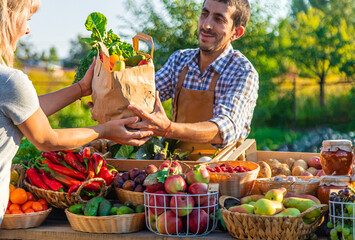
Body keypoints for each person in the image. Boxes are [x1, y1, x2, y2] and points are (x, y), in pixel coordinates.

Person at [0, 0, 152, 223]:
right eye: (28, 19)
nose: (28, 29)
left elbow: (27, 111)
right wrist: (104, 130)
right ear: (9, 17)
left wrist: (81, 89)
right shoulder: (10, 80)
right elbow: (46, 139)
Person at [128, 0, 259, 152]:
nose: (206, 25)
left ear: (236, 32)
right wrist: (106, 98)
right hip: (174, 164)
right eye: (204, 14)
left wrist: (168, 128)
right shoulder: (179, 60)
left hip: (220, 169)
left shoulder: (242, 72)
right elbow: (142, 97)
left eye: (218, 19)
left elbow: (224, 130)